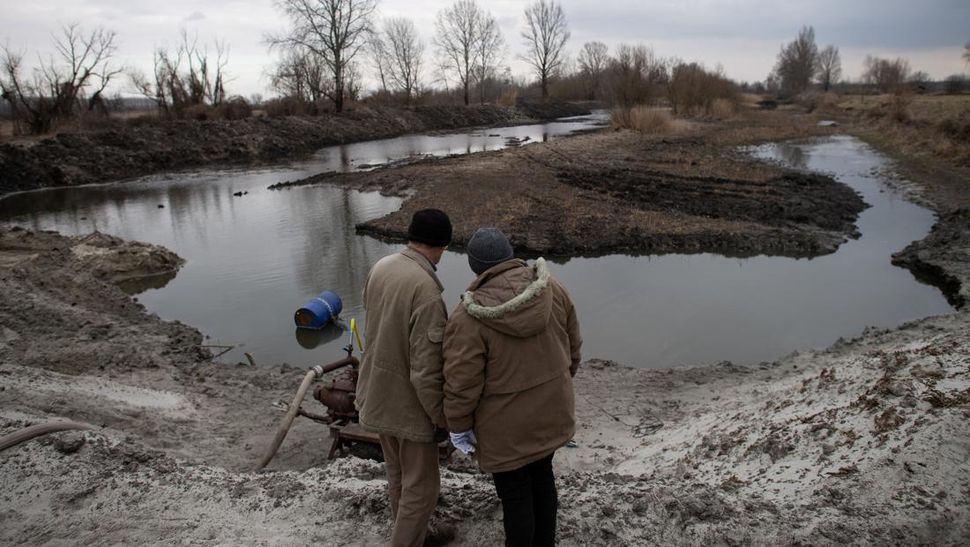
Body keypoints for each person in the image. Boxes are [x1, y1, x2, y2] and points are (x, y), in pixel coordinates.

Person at [443, 228, 582, 547]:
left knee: (516, 496)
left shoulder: (468, 316)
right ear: (510, 254)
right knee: (543, 480)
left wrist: (459, 426)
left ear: (475, 267)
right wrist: (558, 385)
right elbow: (573, 347)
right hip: (552, 411)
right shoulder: (551, 287)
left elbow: (462, 383)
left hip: (504, 430)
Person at [355, 208, 452, 547]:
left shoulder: (381, 267)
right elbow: (426, 371)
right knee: (422, 490)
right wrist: (441, 417)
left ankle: (417, 535)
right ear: (441, 245)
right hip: (408, 406)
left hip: (376, 394)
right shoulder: (426, 290)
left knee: (397, 477)